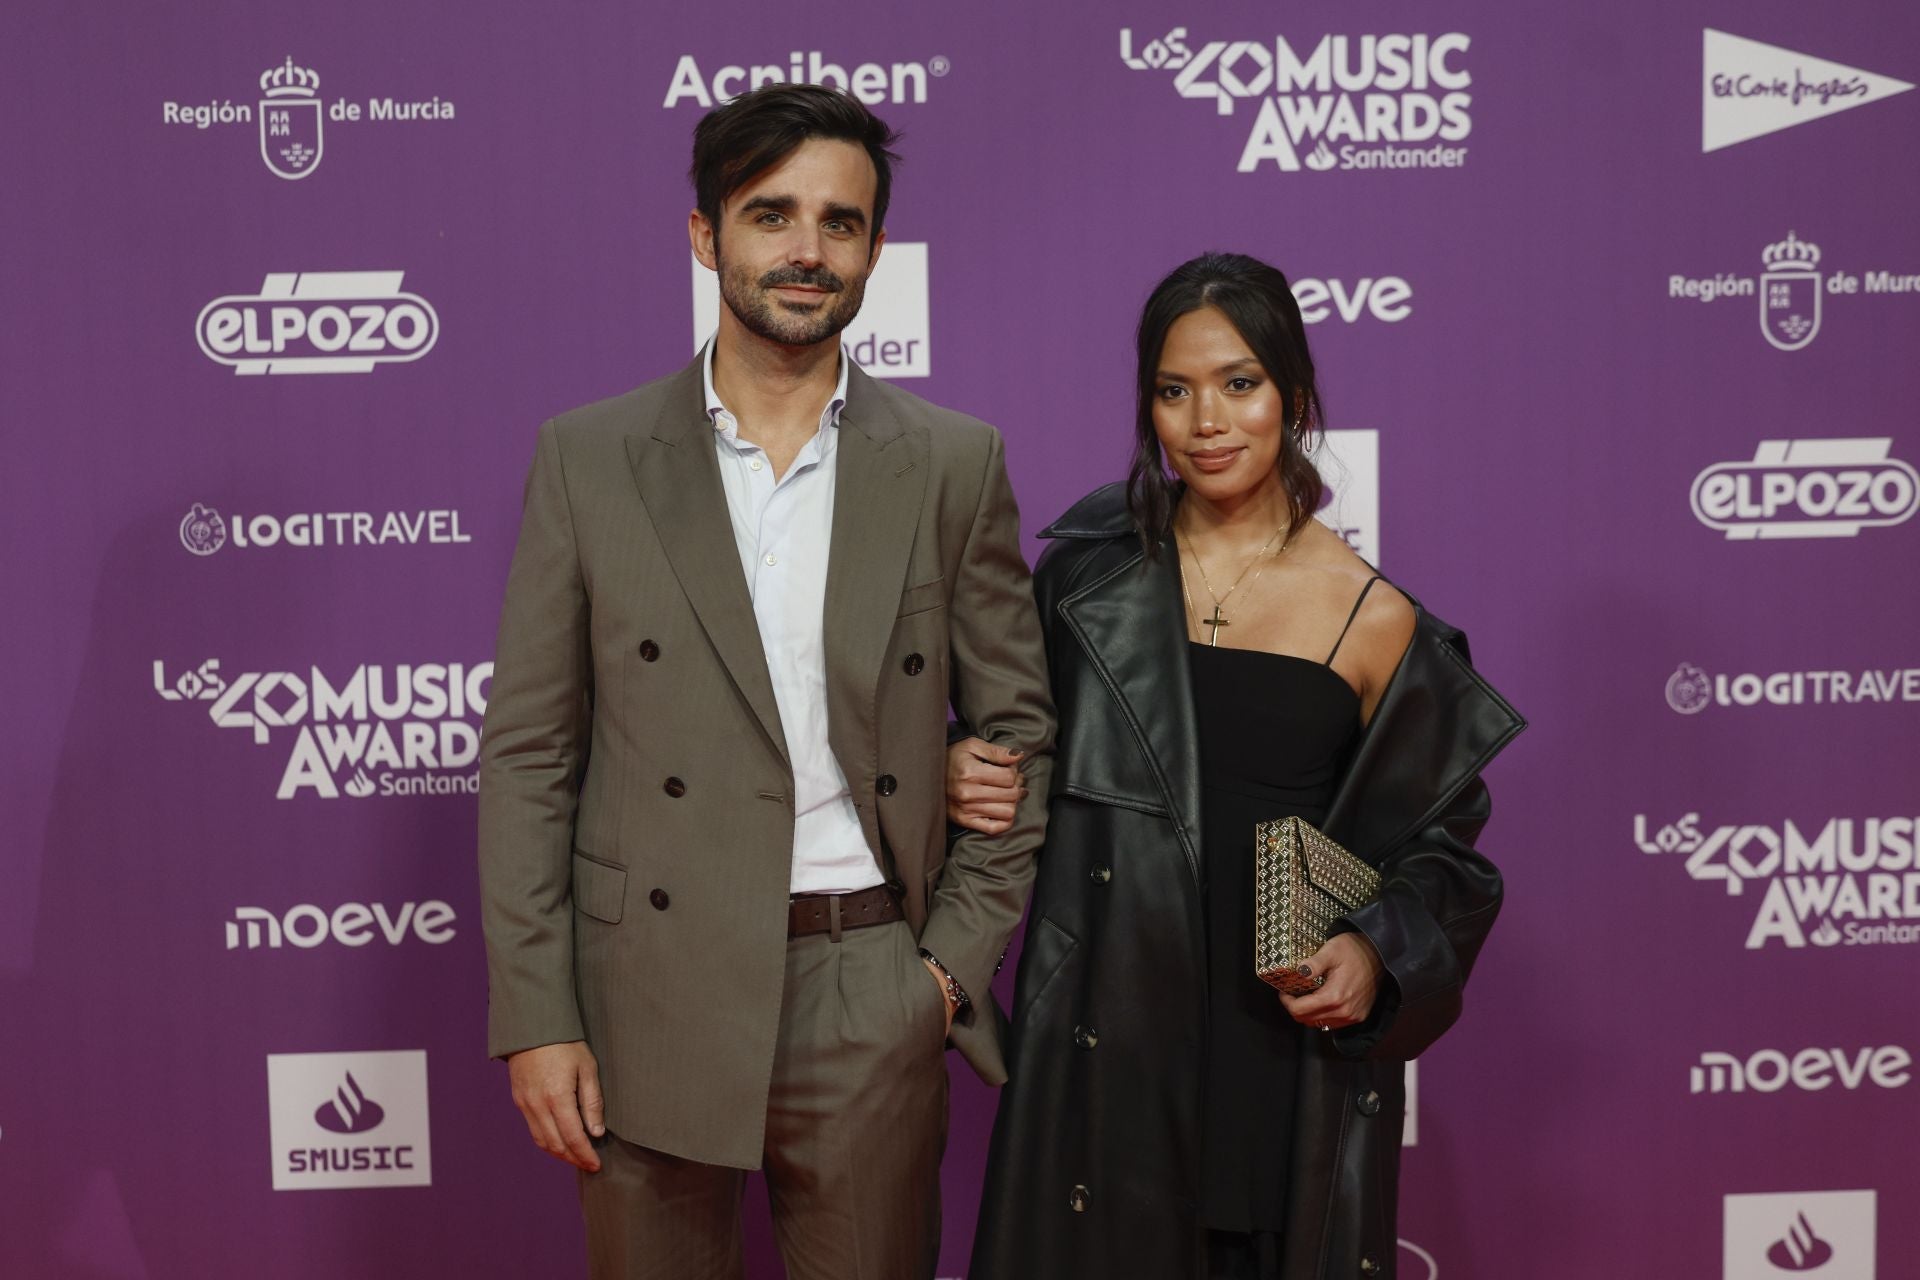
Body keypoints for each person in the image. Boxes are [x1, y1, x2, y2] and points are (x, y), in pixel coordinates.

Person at [476, 84, 1053, 1280]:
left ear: (876, 251)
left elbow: (1018, 728)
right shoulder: (589, 460)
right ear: (706, 235)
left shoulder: (952, 462)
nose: (806, 250)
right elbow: (532, 756)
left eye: (840, 223)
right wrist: (538, 1012)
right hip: (647, 988)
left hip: (865, 981)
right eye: (770, 214)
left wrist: (941, 968)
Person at [955, 252, 1525, 1280]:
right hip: (1103, 1038)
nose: (1206, 420)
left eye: (1239, 384)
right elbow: (1011, 748)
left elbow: (1446, 858)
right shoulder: (1086, 575)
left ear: (1294, 399)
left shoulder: (1378, 615)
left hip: (1271, 1058)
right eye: (1174, 391)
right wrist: (964, 761)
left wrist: (1374, 948)